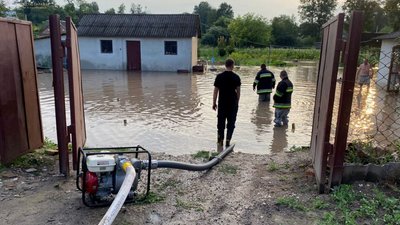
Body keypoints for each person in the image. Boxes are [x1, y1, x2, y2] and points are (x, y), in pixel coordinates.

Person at [213, 59, 241, 149]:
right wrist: (237, 103)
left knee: (220, 123)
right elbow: (238, 92)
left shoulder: (219, 77)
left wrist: (214, 103)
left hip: (222, 104)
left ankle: (220, 141)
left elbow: (215, 92)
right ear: (232, 65)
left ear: (225, 65)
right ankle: (228, 141)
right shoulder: (236, 77)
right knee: (231, 123)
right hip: (232, 104)